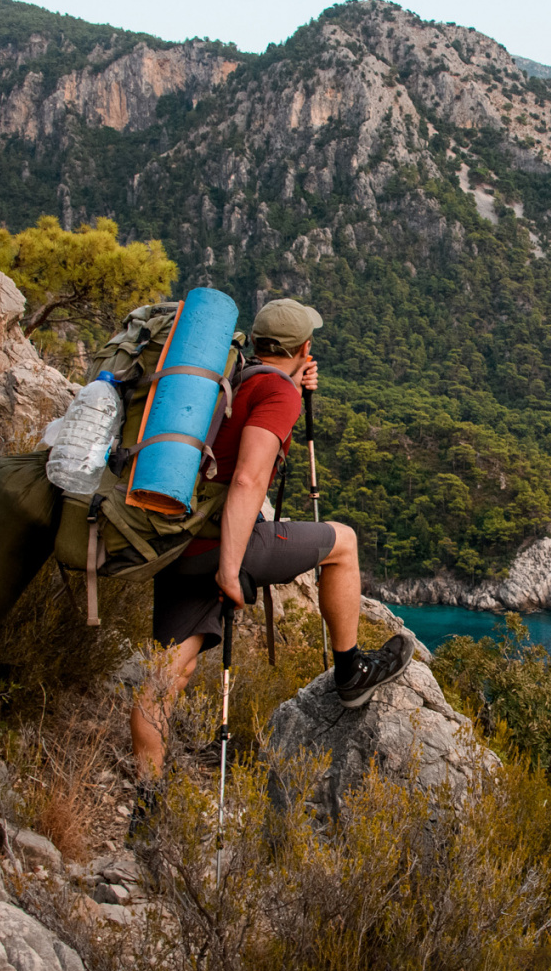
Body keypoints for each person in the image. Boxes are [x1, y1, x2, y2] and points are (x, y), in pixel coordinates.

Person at [129, 298, 415, 784]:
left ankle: (147, 799)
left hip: (175, 537)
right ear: (305, 347)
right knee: (342, 543)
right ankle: (351, 674)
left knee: (165, 679)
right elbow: (246, 480)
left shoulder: (233, 375)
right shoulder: (276, 393)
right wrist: (229, 568)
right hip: (218, 544)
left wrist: (293, 382)